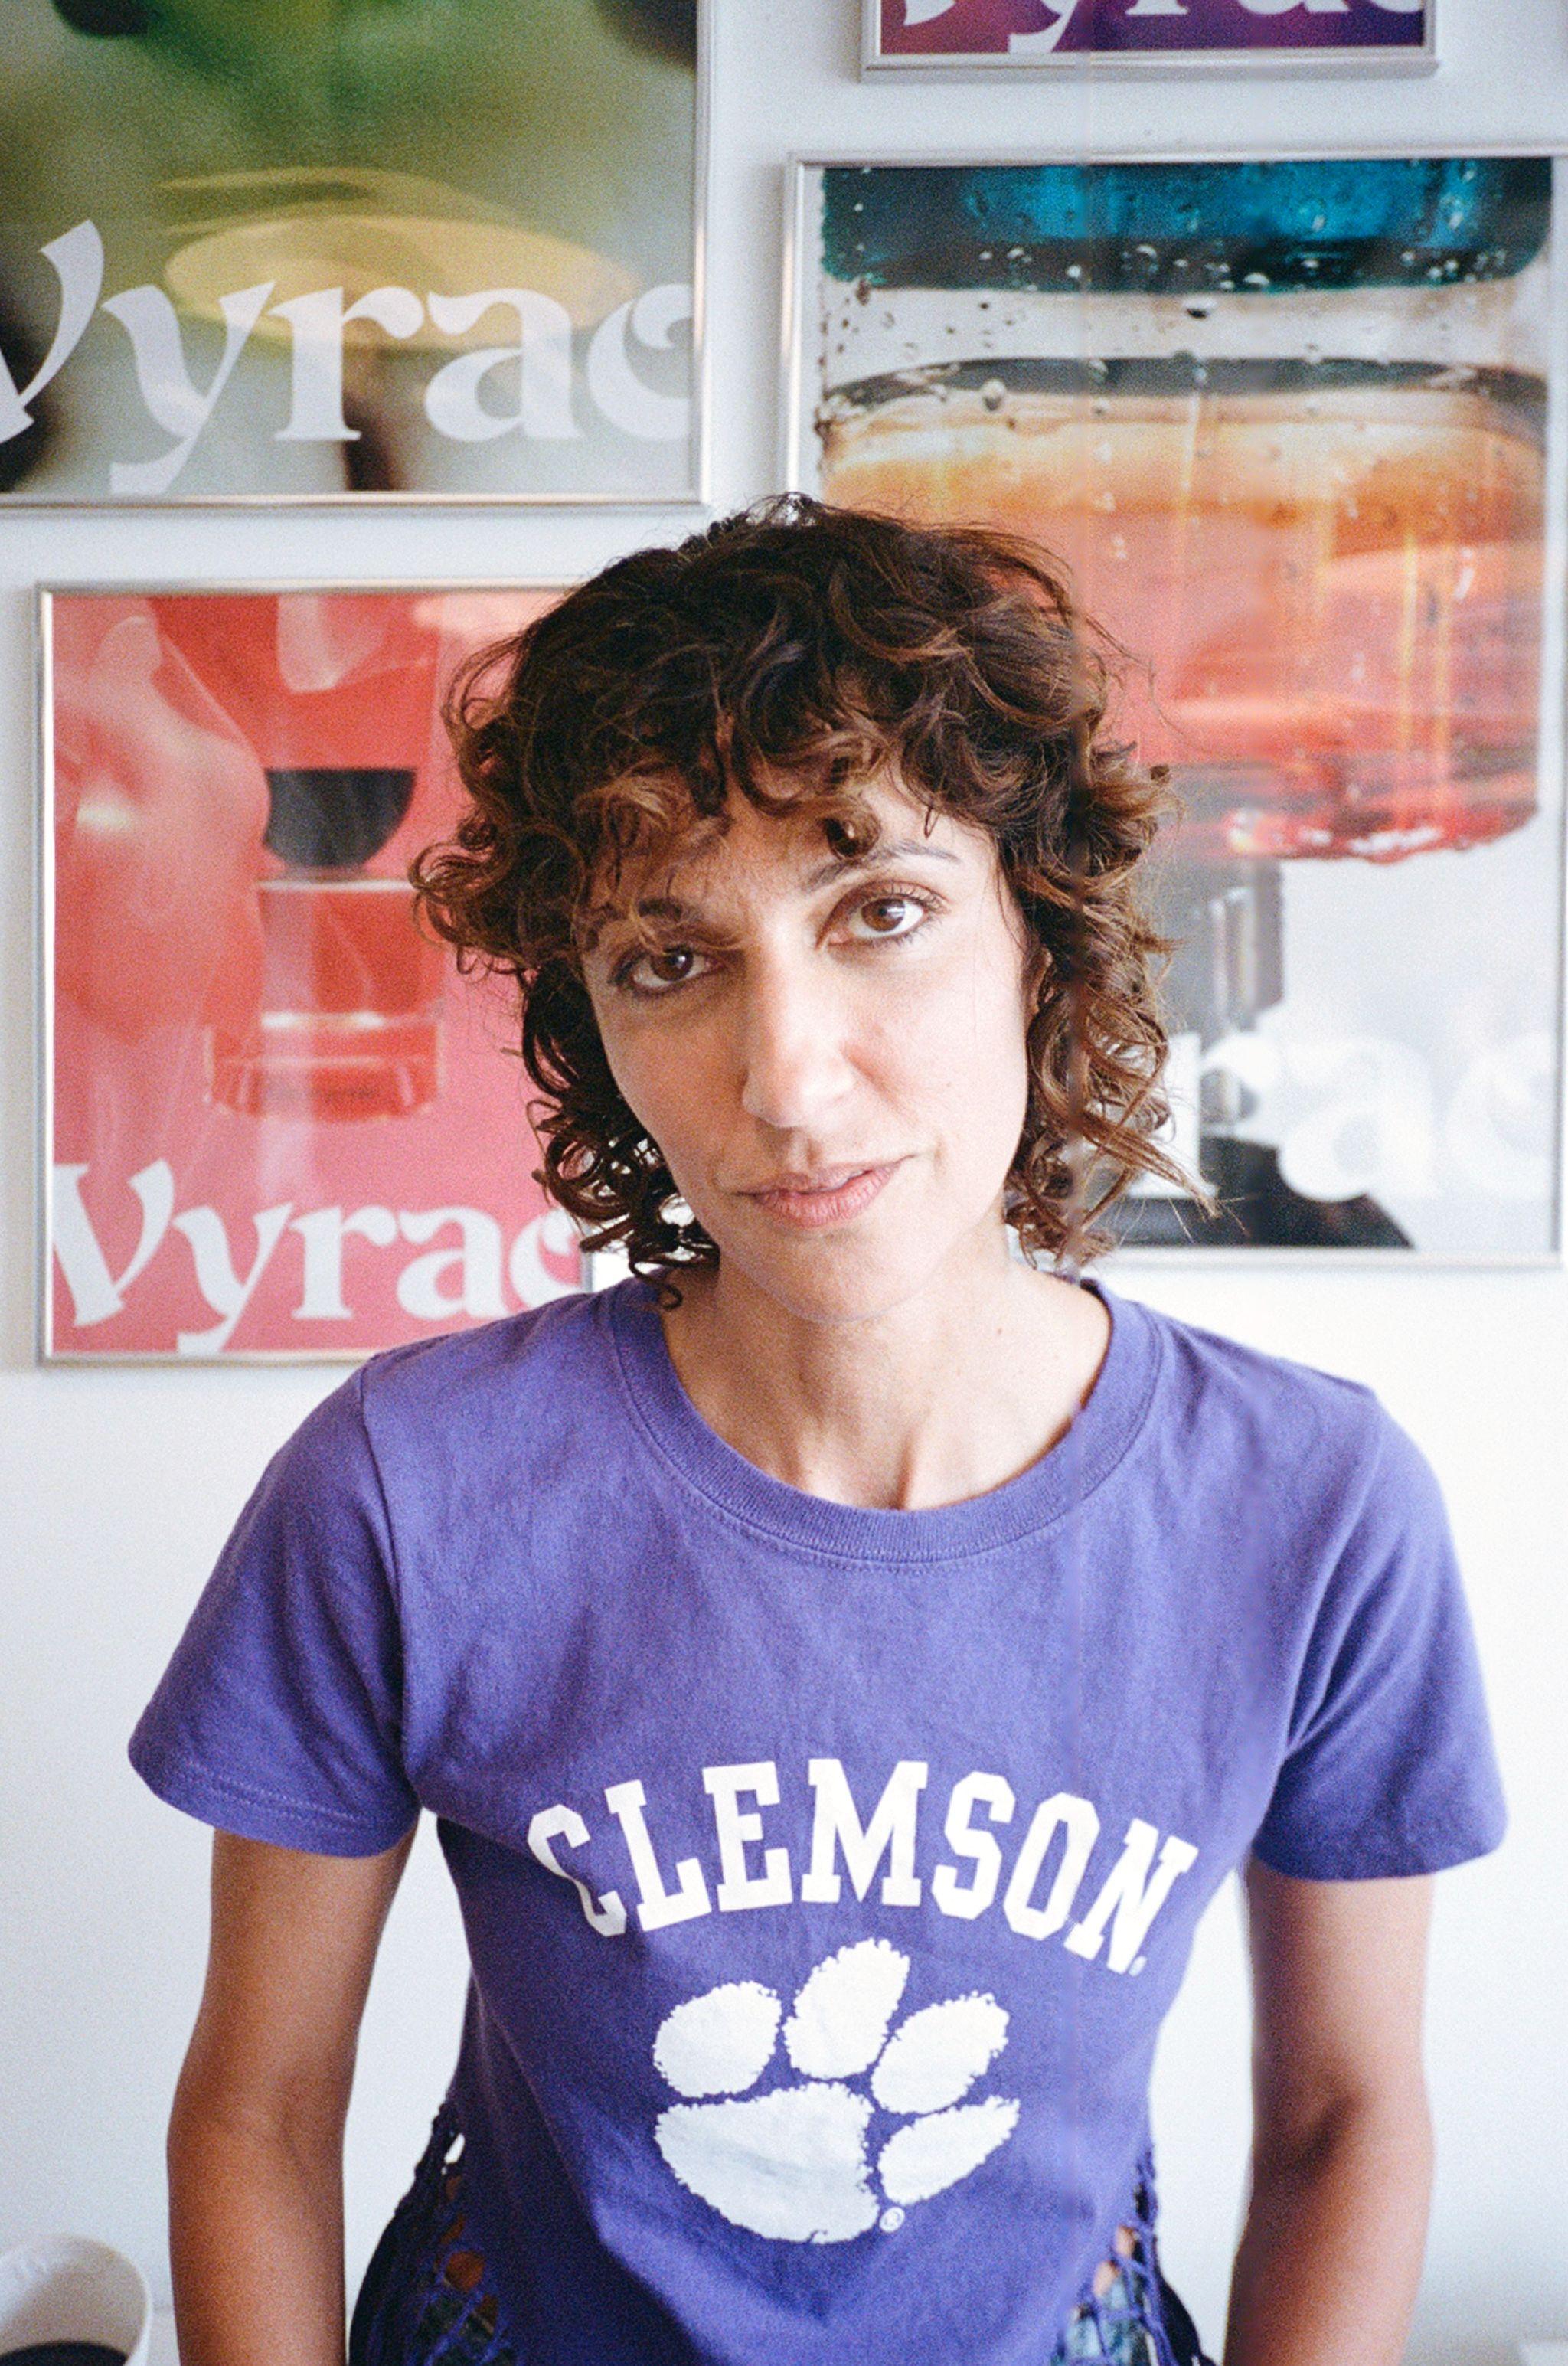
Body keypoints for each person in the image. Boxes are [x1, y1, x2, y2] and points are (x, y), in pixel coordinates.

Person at [129, 497, 1505, 2366]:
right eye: (667, 960)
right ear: (591, 1018)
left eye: (883, 914)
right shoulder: (406, 1491)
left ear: (1037, 934)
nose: (785, 1078)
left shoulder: (1314, 1509)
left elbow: (1347, 2119)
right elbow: (259, 2110)